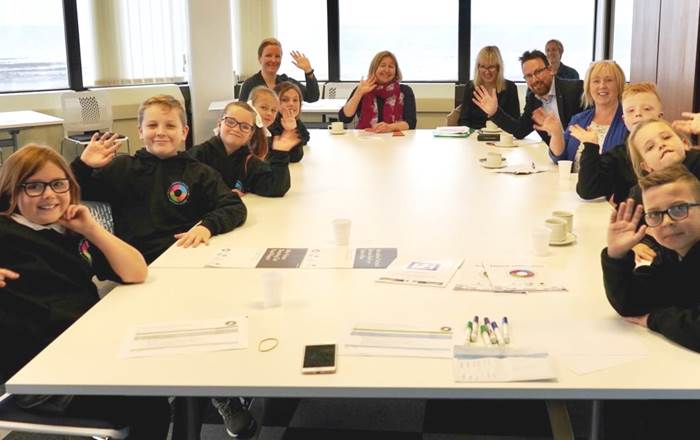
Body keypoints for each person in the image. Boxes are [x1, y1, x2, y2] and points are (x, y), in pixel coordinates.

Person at [0, 144, 170, 439]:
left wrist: (92, 230)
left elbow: (136, 272)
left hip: (87, 351)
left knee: (160, 375)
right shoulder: (6, 231)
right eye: (34, 186)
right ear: (13, 192)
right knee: (150, 402)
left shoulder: (68, 229)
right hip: (44, 378)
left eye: (57, 184)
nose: (49, 195)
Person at [71, 95, 247, 263]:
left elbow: (234, 207)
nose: (161, 132)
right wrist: (83, 164)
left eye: (170, 126)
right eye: (152, 125)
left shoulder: (200, 173)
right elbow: (74, 190)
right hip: (134, 262)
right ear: (140, 131)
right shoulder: (121, 168)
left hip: (183, 254)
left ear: (184, 132)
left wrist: (207, 227)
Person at [601, 165, 700, 439]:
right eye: (655, 214)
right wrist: (616, 255)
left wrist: (654, 319)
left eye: (679, 208)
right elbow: (631, 304)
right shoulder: (672, 254)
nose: (667, 221)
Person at [473, 49, 583, 145]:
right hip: (557, 157)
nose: (534, 80)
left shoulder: (575, 90)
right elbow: (519, 131)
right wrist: (495, 112)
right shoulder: (533, 100)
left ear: (550, 70)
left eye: (538, 72)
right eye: (529, 76)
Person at [577, 82, 664, 204]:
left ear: (660, 117)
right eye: (631, 111)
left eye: (647, 109)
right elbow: (588, 190)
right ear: (624, 120)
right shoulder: (618, 155)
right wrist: (590, 145)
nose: (638, 114)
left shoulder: (672, 148)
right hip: (629, 220)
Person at [189, 101, 295, 197]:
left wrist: (281, 153)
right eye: (230, 122)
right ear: (219, 123)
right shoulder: (198, 155)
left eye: (244, 127)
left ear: (251, 133)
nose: (236, 129)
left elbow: (275, 188)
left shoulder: (249, 162)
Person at [537, 60, 628, 169]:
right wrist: (556, 133)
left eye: (608, 80)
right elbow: (560, 158)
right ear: (588, 87)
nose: (602, 86)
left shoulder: (628, 122)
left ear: (619, 85)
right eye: (596, 81)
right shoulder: (579, 119)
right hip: (572, 185)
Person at [338, 50, 417, 133]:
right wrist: (359, 93)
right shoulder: (363, 88)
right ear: (374, 68)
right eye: (382, 65)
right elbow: (344, 118)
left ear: (396, 71)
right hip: (366, 140)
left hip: (395, 140)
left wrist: (389, 127)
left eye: (391, 66)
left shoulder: (405, 91)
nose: (386, 70)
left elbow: (411, 123)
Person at [238, 37, 319, 103]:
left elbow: (312, 97)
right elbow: (242, 114)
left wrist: (308, 71)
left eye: (277, 56)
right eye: (268, 55)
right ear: (259, 58)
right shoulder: (249, 85)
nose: (273, 60)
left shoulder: (287, 83)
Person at [457, 46, 520, 129]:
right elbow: (463, 121)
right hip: (475, 136)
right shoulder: (470, 87)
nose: (487, 72)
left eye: (491, 67)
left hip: (501, 136)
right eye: (483, 66)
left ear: (498, 68)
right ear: (478, 68)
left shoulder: (510, 88)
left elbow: (515, 122)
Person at [269, 81, 309, 163]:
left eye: (295, 100)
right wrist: (290, 130)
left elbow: (306, 137)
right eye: (285, 100)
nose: (291, 104)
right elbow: (295, 157)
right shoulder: (271, 124)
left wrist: (294, 129)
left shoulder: (295, 121)